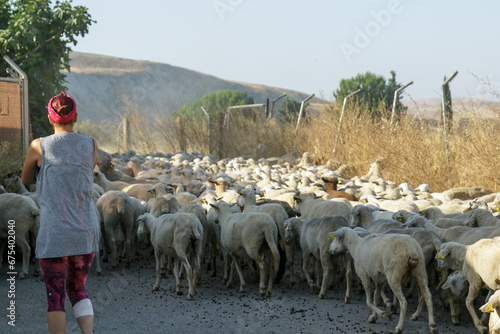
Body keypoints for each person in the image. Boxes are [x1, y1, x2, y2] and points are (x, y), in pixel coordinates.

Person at [22, 92, 100, 334]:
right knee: (78, 289)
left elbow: (26, 179)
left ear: (49, 117)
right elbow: (87, 169)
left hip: (55, 232)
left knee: (55, 297)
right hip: (84, 230)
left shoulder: (39, 146)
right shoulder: (91, 144)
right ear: (75, 117)